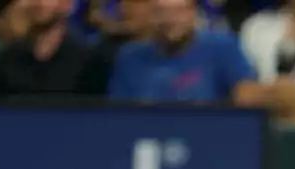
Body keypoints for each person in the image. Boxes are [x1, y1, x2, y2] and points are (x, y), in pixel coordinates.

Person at [107, 0, 261, 104]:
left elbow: (247, 95)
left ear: (193, 14)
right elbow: (118, 113)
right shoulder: (130, 57)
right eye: (160, 12)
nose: (170, 20)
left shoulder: (222, 47)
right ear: (150, 16)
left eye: (178, 12)